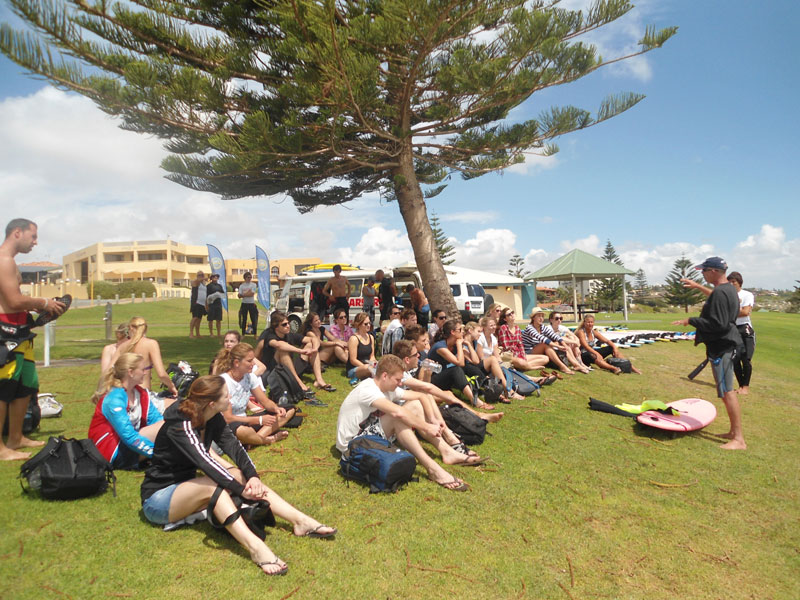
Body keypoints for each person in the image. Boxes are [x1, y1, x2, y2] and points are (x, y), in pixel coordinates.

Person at [141, 375, 336, 576]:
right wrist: (241, 490)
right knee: (213, 485)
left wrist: (252, 477)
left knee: (236, 473)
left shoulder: (213, 417)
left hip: (189, 488)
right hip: (158, 499)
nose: (230, 399)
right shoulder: (180, 425)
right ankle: (256, 549)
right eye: (226, 396)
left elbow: (234, 447)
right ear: (212, 403)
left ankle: (300, 521)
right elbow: (205, 463)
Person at [336, 355, 469, 491]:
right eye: (398, 380)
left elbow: (421, 396)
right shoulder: (368, 390)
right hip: (353, 446)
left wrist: (433, 419)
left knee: (415, 405)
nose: (401, 383)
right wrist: (426, 427)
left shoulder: (386, 388)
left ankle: (446, 451)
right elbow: (397, 413)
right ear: (385, 376)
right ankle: (433, 469)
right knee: (397, 417)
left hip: (368, 435)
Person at [0, 218, 66, 460]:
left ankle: (16, 438)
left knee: (25, 385)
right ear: (17, 233)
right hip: (5, 333)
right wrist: (43, 302)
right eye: (33, 236)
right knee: (4, 389)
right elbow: (13, 301)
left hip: (21, 331)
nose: (36, 242)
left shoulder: (12, 262)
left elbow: (16, 303)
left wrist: (37, 314)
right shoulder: (3, 260)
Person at [673, 257, 745, 450]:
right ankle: (733, 433)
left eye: (704, 271)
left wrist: (692, 320)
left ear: (713, 271)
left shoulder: (721, 292)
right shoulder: (728, 289)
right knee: (725, 392)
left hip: (723, 347)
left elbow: (718, 324)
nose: (702, 274)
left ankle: (739, 439)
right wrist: (697, 286)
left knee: (727, 392)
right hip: (725, 345)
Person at [396, 334, 503, 423]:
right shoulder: (400, 374)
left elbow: (475, 361)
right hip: (409, 406)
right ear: (407, 359)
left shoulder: (406, 371)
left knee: (451, 390)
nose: (418, 356)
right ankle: (477, 412)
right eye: (415, 355)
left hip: (417, 396)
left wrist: (428, 374)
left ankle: (480, 408)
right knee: (450, 385)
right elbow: (423, 387)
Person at [684, 271, 755, 395]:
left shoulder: (746, 294)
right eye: (730, 281)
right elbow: (714, 295)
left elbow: (745, 312)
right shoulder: (725, 293)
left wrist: (726, 310)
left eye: (734, 282)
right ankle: (739, 386)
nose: (732, 284)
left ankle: (746, 386)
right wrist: (697, 286)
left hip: (744, 329)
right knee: (735, 358)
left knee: (746, 358)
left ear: (740, 283)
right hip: (732, 328)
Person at [89, 353, 164, 468]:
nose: (146, 372)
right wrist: (160, 454)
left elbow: (157, 420)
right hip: (112, 452)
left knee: (168, 425)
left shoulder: (141, 394)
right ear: (131, 372)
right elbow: (128, 436)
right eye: (142, 369)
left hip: (132, 443)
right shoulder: (113, 398)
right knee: (166, 429)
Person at [217, 343, 293, 446]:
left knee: (289, 409)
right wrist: (259, 420)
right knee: (242, 431)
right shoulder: (224, 381)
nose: (253, 364)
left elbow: (265, 401)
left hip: (246, 421)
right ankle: (268, 439)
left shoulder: (250, 377)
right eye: (249, 361)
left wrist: (276, 409)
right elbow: (228, 418)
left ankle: (254, 439)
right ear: (236, 363)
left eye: (253, 359)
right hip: (231, 425)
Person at [255, 311, 332, 397]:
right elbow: (279, 345)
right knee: (282, 351)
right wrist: (300, 351)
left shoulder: (290, 335)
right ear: (276, 327)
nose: (288, 326)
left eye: (288, 323)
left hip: (289, 369)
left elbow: (313, 339)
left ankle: (319, 380)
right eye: (284, 324)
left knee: (310, 345)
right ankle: (299, 383)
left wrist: (314, 349)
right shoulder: (269, 336)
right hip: (273, 372)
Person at [112, 317, 179, 397]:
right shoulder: (151, 344)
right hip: (143, 394)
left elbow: (110, 369)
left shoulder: (122, 346)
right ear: (146, 329)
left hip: (125, 393)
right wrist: (171, 386)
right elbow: (161, 374)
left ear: (130, 328)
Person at [475, 317, 524, 400]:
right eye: (491, 325)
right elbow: (481, 358)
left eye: (494, 325)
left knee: (507, 368)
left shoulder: (493, 338)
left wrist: (502, 366)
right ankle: (509, 391)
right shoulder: (481, 338)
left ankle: (533, 380)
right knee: (493, 359)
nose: (494, 327)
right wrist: (495, 363)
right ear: (485, 327)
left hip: (492, 364)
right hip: (482, 365)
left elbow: (497, 356)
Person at [521, 307, 580, 374]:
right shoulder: (529, 328)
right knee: (545, 344)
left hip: (537, 350)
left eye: (542, 316)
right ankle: (562, 366)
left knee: (548, 356)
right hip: (528, 351)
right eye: (539, 316)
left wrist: (563, 344)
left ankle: (576, 364)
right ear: (533, 318)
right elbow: (542, 338)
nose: (541, 318)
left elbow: (554, 335)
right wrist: (558, 346)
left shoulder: (542, 327)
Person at [576, 314, 641, 374]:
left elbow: (607, 341)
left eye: (591, 322)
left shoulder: (593, 332)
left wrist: (614, 347)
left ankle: (632, 367)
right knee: (593, 355)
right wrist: (597, 354)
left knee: (611, 348)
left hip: (592, 352)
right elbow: (586, 346)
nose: (590, 324)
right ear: (584, 323)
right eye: (588, 322)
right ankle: (613, 368)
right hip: (582, 355)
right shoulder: (581, 332)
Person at [496, 308, 550, 372]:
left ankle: (524, 366)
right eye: (509, 314)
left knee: (545, 358)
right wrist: (519, 357)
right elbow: (506, 347)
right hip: (509, 356)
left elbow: (520, 345)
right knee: (521, 362)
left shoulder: (517, 328)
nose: (512, 315)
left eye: (512, 312)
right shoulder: (503, 328)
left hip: (519, 354)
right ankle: (529, 367)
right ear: (505, 319)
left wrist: (523, 356)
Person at [346, 312, 376, 382]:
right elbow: (353, 360)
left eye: (369, 323)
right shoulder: (354, 339)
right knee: (368, 369)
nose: (368, 325)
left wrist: (374, 364)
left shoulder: (371, 337)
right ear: (358, 325)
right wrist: (366, 366)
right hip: (355, 368)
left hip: (368, 365)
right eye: (366, 324)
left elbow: (372, 356)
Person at [237, 272, 258, 336]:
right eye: (248, 277)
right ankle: (243, 334)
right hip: (244, 304)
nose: (249, 279)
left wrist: (243, 295)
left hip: (251, 304)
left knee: (253, 319)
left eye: (250, 277)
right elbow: (239, 295)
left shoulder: (253, 285)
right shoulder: (242, 286)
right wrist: (246, 294)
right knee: (244, 319)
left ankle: (255, 334)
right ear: (245, 278)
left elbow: (252, 294)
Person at [205, 273, 225, 337]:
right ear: (211, 278)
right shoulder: (209, 286)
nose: (215, 278)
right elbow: (206, 296)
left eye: (217, 277)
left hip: (218, 304)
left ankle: (218, 333)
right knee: (210, 319)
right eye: (214, 277)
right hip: (211, 304)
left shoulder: (219, 286)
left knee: (218, 319)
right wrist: (206, 305)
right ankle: (211, 333)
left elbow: (223, 294)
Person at [189, 270, 207, 338]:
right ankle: (191, 333)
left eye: (202, 275)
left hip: (202, 303)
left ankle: (197, 333)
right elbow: (195, 281)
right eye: (199, 275)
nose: (201, 276)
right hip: (196, 302)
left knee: (199, 319)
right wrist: (202, 278)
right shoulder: (196, 282)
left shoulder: (203, 284)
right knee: (195, 317)